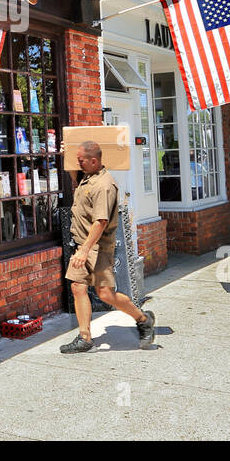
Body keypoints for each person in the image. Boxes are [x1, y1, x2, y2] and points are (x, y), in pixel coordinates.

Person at [60, 141, 156, 353]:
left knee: (106, 295)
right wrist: (66, 154)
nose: (78, 164)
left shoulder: (104, 185)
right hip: (83, 244)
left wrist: (85, 250)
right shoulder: (88, 176)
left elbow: (100, 222)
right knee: (77, 287)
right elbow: (74, 174)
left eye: (81, 160)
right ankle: (85, 338)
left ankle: (143, 319)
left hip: (98, 247)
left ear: (94, 161)